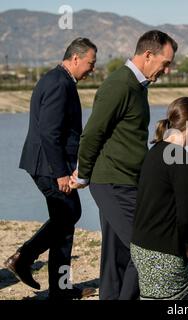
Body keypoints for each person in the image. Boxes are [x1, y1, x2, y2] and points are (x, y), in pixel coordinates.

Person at [69, 30, 177, 300]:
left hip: (128, 181)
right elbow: (93, 133)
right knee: (146, 249)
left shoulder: (138, 87)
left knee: (116, 254)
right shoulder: (119, 85)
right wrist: (82, 175)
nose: (168, 69)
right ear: (148, 55)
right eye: (166, 62)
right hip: (113, 183)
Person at [5, 38, 97, 300]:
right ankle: (24, 258)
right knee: (68, 215)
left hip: (48, 163)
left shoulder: (59, 79)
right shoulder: (59, 83)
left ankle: (61, 289)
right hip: (48, 165)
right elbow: (49, 132)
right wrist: (61, 173)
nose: (92, 69)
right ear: (75, 58)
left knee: (65, 222)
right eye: (90, 63)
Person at [130, 97, 188, 300]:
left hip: (139, 249)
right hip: (163, 255)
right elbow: (185, 214)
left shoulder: (154, 151)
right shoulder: (182, 160)